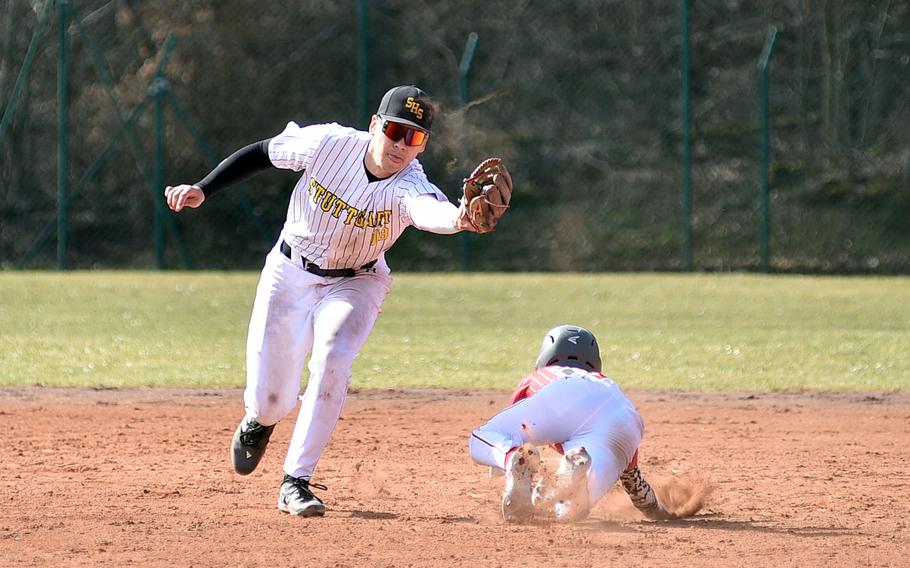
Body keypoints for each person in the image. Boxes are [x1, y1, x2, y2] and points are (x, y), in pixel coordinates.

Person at [165, 85, 501, 517]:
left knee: (334, 356)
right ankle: (259, 421)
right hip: (289, 271)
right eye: (396, 131)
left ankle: (295, 480)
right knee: (271, 401)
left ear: (423, 146)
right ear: (375, 125)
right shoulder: (328, 144)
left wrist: (460, 218)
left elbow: (428, 213)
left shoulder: (410, 184)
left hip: (357, 281)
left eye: (414, 138)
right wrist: (204, 189)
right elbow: (264, 152)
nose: (401, 145)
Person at [469, 324, 675, 523]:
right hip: (624, 416)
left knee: (482, 439)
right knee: (572, 509)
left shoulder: (541, 375)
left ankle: (513, 459)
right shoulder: (604, 383)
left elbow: (512, 434)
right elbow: (634, 483)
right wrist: (660, 511)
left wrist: (510, 461)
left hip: (563, 391)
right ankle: (574, 479)